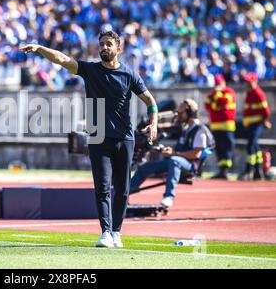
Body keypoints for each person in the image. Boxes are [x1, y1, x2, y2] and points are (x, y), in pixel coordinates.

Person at [20, 30, 158, 248]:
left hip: (125, 139)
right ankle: (105, 232)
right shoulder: (90, 70)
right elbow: (62, 59)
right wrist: (39, 49)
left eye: (109, 44)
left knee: (122, 189)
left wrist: (154, 121)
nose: (104, 47)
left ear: (118, 48)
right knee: (102, 187)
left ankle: (117, 232)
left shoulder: (129, 75)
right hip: (98, 138)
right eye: (102, 44)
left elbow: (150, 100)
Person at [130, 99, 213, 208]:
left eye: (180, 113)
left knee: (175, 161)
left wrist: (174, 154)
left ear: (189, 113)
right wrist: (163, 150)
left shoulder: (200, 130)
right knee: (145, 167)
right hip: (177, 160)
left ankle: (168, 197)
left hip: (190, 165)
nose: (178, 115)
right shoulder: (186, 129)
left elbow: (196, 154)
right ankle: (122, 194)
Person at [239, 72, 272, 180]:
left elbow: (266, 111)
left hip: (256, 124)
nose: (247, 84)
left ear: (254, 82)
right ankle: (257, 170)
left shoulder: (258, 93)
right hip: (250, 125)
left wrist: (265, 120)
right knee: (255, 145)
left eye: (249, 82)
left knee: (251, 145)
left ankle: (249, 169)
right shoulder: (249, 93)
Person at [204, 74, 237, 179]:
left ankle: (226, 170)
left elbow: (224, 102)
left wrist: (217, 94)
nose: (216, 86)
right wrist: (216, 100)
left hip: (227, 126)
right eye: (216, 84)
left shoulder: (229, 92)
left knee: (227, 147)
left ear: (223, 83)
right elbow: (207, 105)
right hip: (215, 126)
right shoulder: (212, 94)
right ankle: (221, 171)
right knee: (218, 148)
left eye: (219, 84)